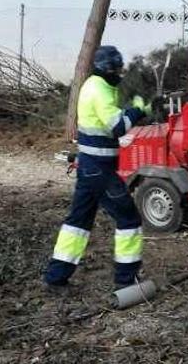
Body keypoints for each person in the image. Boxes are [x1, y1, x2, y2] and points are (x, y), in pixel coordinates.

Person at [44, 45, 151, 292]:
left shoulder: (96, 85)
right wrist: (139, 109)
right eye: (117, 70)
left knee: (78, 222)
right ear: (108, 70)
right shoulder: (99, 90)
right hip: (99, 169)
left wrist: (134, 109)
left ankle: (56, 277)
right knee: (129, 219)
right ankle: (127, 281)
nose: (120, 75)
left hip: (90, 167)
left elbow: (109, 118)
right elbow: (116, 126)